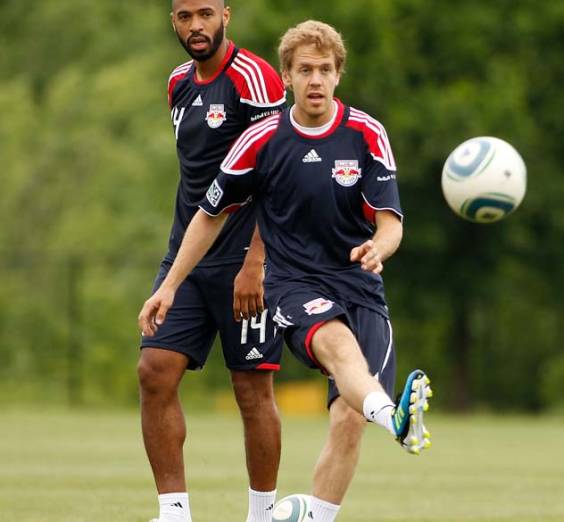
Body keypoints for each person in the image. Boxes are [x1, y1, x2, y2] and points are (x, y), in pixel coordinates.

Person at [139, 19, 432, 522]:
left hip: (362, 286)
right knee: (338, 349)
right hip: (294, 286)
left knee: (347, 416)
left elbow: (390, 224)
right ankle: (396, 418)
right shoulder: (262, 139)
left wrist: (377, 249)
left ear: (339, 75)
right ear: (288, 77)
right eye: (304, 70)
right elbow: (208, 216)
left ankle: (318, 512)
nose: (315, 79)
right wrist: (168, 286)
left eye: (324, 70)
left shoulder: (365, 133)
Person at [138, 1, 287, 521]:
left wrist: (257, 264)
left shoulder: (256, 77)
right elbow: (197, 181)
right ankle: (174, 512)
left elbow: (277, 176)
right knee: (154, 370)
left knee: (251, 389)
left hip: (248, 262)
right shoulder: (178, 82)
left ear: (226, 14)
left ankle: (262, 514)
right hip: (188, 256)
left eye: (205, 13)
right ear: (173, 22)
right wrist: (175, 274)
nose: (195, 26)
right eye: (184, 16)